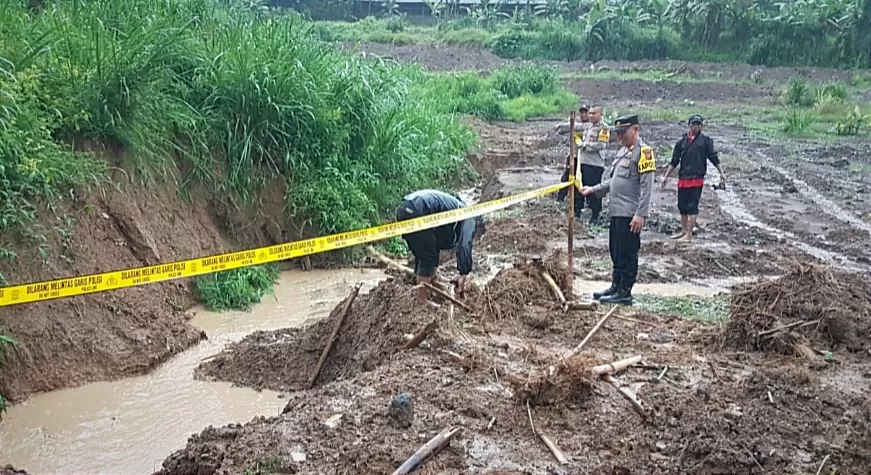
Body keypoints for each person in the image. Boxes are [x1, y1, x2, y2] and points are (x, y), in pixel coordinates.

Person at [580, 114, 655, 305]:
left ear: (636, 129)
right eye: (618, 133)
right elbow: (612, 181)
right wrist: (593, 190)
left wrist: (640, 214)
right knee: (616, 250)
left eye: (623, 132)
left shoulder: (644, 152)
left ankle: (624, 291)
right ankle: (615, 285)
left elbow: (647, 187)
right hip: (616, 211)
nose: (620, 136)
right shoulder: (622, 152)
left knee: (628, 252)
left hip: (630, 213)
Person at [395, 190, 484, 304]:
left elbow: (434, 243)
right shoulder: (470, 218)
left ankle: (420, 282)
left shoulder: (457, 211)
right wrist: (463, 273)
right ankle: (422, 300)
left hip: (405, 207)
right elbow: (464, 245)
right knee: (428, 258)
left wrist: (433, 273)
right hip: (418, 210)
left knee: (423, 252)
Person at [661, 114, 726, 243]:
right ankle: (684, 230)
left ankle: (689, 234)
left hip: (697, 178)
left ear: (701, 126)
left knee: (692, 206)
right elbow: (674, 160)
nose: (695, 127)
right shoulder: (681, 142)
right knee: (682, 206)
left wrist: (721, 172)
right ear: (689, 125)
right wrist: (666, 176)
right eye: (693, 124)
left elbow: (713, 157)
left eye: (698, 125)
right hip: (683, 177)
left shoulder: (705, 141)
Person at [575, 105, 610, 224]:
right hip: (583, 162)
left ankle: (595, 214)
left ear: (601, 115)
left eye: (594, 113)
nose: (590, 115)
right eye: (590, 113)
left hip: (595, 164)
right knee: (579, 187)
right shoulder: (588, 127)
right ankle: (577, 212)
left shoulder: (604, 128)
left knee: (594, 191)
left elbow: (602, 145)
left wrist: (585, 145)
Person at [555, 104, 591, 203]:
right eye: (581, 112)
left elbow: (578, 126)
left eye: (585, 112)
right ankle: (560, 198)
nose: (583, 114)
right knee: (566, 177)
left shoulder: (592, 127)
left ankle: (578, 204)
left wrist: (566, 124)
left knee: (579, 180)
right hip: (573, 156)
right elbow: (562, 131)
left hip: (585, 158)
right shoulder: (576, 125)